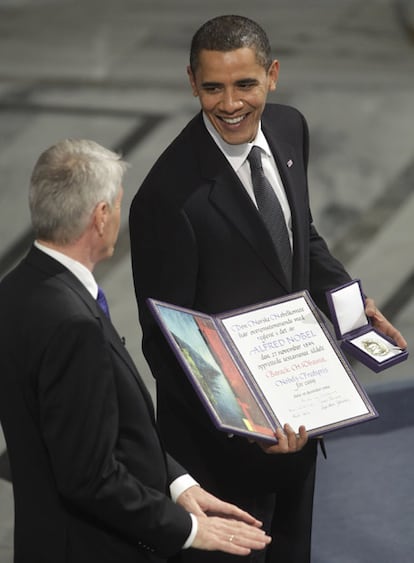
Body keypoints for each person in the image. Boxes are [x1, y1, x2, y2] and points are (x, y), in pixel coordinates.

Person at [128, 15, 407, 563]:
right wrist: (244, 424)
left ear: (273, 75)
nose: (230, 103)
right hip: (222, 463)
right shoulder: (166, 199)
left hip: (298, 433)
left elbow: (300, 234)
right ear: (192, 83)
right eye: (213, 87)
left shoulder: (288, 129)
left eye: (245, 84)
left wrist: (351, 305)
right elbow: (165, 345)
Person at [0, 138, 272, 563]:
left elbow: (96, 433)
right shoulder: (73, 324)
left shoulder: (18, 289)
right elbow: (89, 476)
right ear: (101, 216)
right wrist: (190, 530)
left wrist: (179, 485)